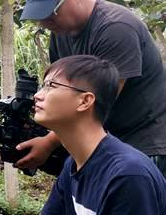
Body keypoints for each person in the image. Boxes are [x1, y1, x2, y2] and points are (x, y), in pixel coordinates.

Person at [16, 0, 166, 175]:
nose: (45, 22)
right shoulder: (61, 32)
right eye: (39, 17)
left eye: (51, 13)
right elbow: (65, 92)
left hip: (142, 141)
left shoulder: (116, 28)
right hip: (100, 140)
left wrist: (49, 142)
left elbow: (95, 104)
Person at [35, 55, 166, 214]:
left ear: (85, 101)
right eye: (43, 86)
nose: (38, 95)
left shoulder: (128, 175)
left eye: (51, 85)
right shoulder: (73, 164)